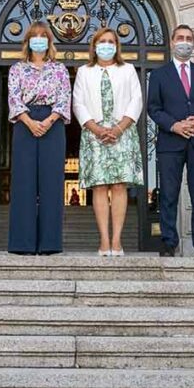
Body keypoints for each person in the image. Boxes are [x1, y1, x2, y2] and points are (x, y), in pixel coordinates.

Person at [146, 24, 194, 257]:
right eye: (180, 38)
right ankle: (169, 243)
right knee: (169, 194)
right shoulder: (158, 75)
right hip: (170, 142)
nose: (184, 42)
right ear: (171, 42)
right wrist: (174, 125)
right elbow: (153, 108)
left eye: (189, 38)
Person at [73, 27, 144, 257]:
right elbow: (78, 103)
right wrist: (97, 128)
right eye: (102, 41)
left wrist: (118, 128)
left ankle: (117, 240)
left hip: (122, 133)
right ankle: (104, 240)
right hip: (94, 134)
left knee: (119, 185)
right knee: (100, 186)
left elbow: (136, 100)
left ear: (117, 45)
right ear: (94, 45)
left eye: (111, 41)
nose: (106, 45)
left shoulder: (128, 69)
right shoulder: (84, 71)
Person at [7, 22, 71, 255]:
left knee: (51, 182)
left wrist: (49, 120)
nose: (39, 40)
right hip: (25, 123)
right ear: (27, 41)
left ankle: (49, 243)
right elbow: (14, 98)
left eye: (43, 36)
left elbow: (65, 97)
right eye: (35, 36)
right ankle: (22, 243)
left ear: (49, 41)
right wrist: (29, 121)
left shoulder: (60, 69)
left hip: (52, 124)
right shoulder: (16, 69)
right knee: (24, 182)